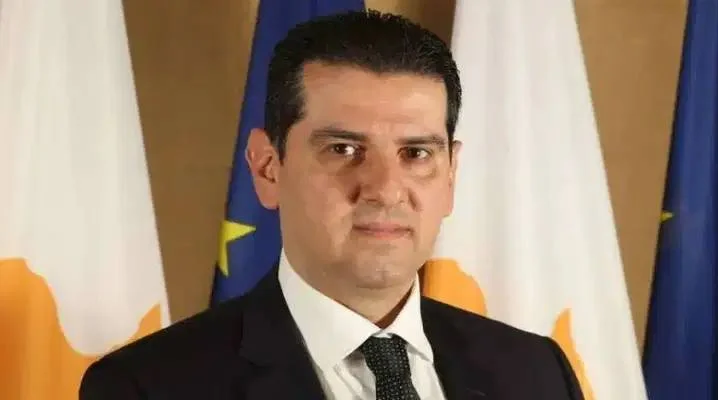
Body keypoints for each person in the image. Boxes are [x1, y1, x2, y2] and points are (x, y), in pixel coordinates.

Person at [79, 10, 584, 400]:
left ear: (450, 174)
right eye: (343, 149)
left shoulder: (536, 373)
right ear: (268, 168)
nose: (385, 189)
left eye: (416, 153)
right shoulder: (148, 387)